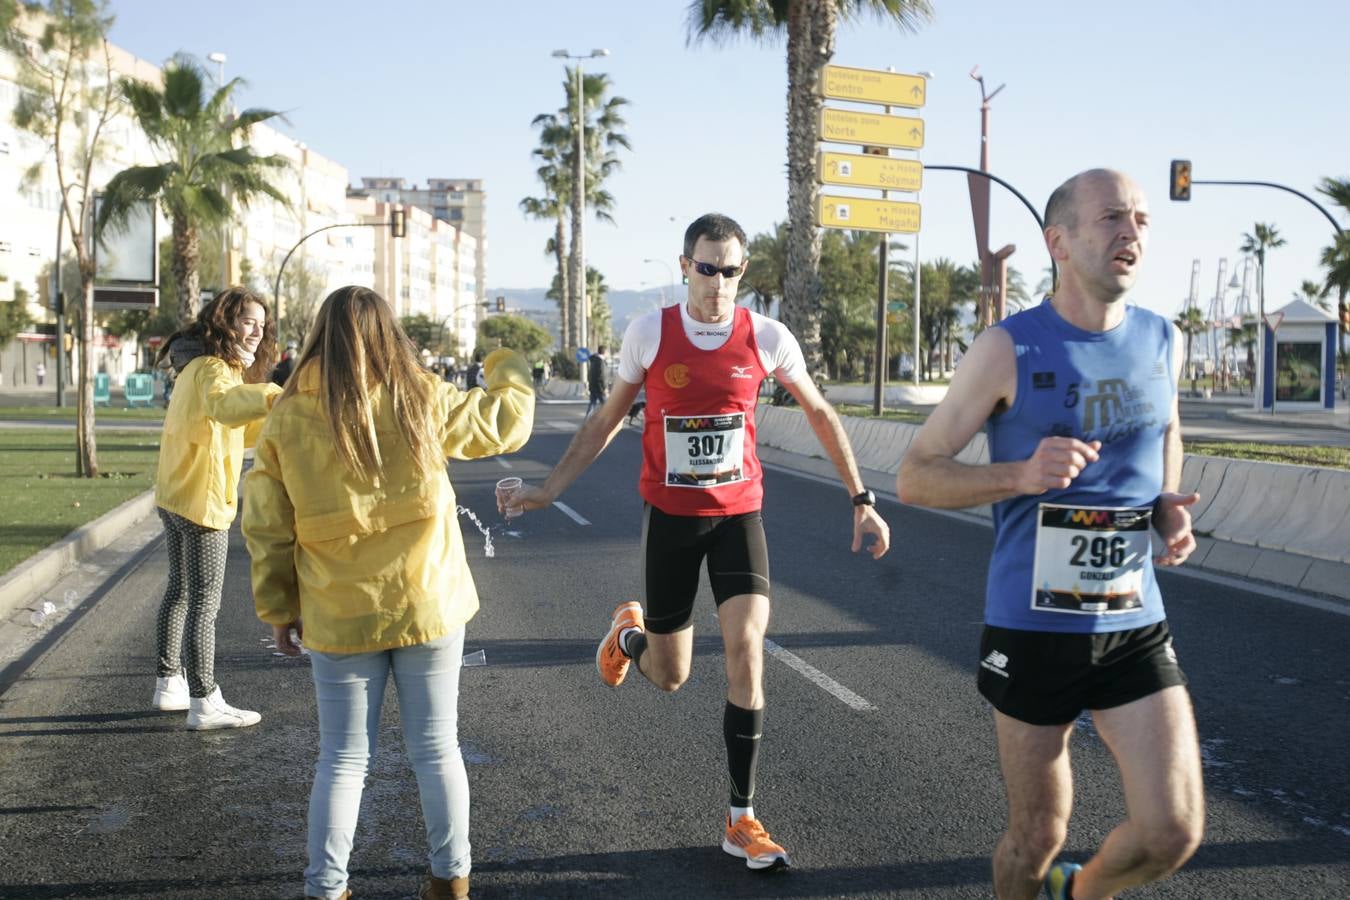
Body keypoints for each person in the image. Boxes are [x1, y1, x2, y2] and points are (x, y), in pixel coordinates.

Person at [506, 213, 890, 872]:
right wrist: (548, 490)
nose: (718, 282)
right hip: (673, 521)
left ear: (743, 273)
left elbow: (820, 413)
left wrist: (862, 499)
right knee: (671, 676)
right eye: (707, 268)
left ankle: (741, 819)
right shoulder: (650, 332)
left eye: (730, 271)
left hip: (739, 518)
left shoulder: (766, 336)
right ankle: (629, 637)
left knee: (748, 651)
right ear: (685, 266)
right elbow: (606, 420)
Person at [897, 170, 1204, 900]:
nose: (1131, 232)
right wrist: (1020, 475)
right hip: (1032, 627)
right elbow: (915, 476)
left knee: (1173, 831)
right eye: (1111, 218)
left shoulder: (1163, 339)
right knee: (1037, 835)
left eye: (1141, 219)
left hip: (1133, 621)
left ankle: (1080, 893)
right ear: (1058, 242)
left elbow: (1167, 431)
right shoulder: (1008, 348)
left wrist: (1164, 503)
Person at [242, 285, 534, 900]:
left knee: (342, 759)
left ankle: (327, 888)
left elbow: (266, 524)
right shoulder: (420, 397)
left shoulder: (287, 417)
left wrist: (279, 609)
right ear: (389, 336)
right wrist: (502, 358)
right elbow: (507, 421)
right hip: (428, 604)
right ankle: (450, 883)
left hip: (338, 613)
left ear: (320, 337)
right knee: (437, 750)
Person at [150, 286, 281, 729]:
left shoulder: (196, 365)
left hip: (176, 494)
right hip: (202, 501)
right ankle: (205, 700)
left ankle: (169, 683)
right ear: (225, 321)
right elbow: (226, 406)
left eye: (261, 325)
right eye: (247, 322)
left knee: (180, 592)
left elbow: (232, 427)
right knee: (204, 604)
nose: (256, 333)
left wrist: (274, 420)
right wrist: (275, 397)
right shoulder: (214, 369)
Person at [584, 344, 608, 416]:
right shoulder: (600, 362)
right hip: (599, 388)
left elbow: (590, 374)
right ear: (604, 352)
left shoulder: (594, 360)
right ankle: (608, 421)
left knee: (592, 405)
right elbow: (602, 376)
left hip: (593, 386)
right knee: (606, 406)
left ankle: (587, 420)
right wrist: (604, 388)